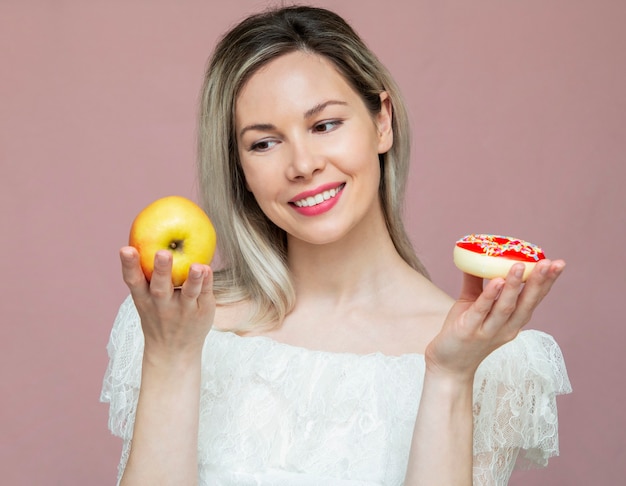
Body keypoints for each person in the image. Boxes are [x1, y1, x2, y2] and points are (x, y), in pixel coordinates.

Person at [101, 5, 571, 485]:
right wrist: (171, 359)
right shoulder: (177, 327)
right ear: (239, 168)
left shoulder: (486, 353)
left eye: (325, 125)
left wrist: (450, 376)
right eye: (264, 143)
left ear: (382, 122)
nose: (303, 165)